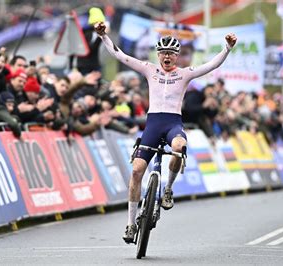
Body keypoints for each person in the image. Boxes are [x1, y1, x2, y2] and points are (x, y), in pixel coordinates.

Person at [94, 22, 237, 243]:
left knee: (179, 147)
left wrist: (227, 48)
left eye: (170, 53)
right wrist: (104, 36)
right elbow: (121, 56)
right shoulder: (149, 69)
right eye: (163, 53)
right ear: (158, 55)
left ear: (177, 56)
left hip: (173, 123)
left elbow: (210, 66)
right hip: (153, 123)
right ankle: (131, 225)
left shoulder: (185, 74)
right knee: (136, 171)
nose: (166, 57)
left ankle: (168, 189)